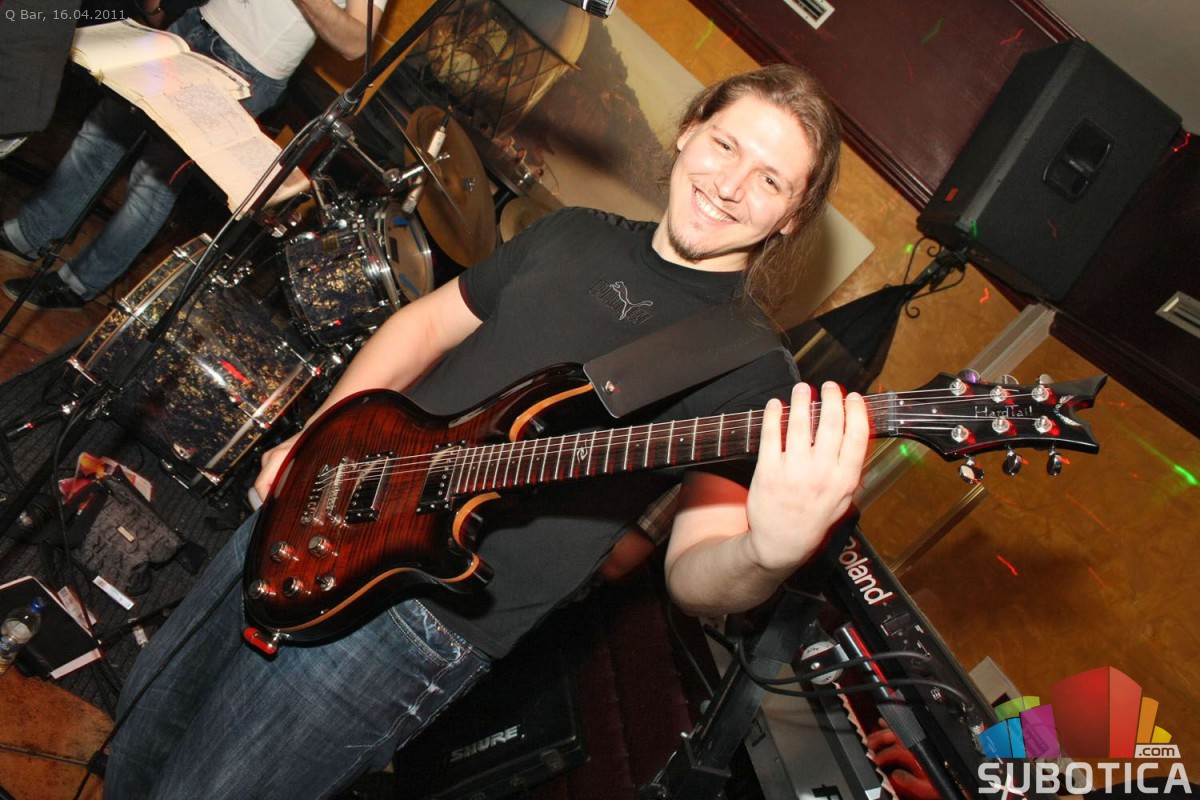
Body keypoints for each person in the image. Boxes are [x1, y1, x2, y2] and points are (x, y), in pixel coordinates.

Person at [103, 63, 871, 798]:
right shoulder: (574, 232)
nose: (729, 185)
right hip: (322, 497)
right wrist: (318, 442)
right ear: (690, 130)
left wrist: (765, 553)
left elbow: (693, 577)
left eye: (770, 181)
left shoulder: (750, 369)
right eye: (725, 144)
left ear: (791, 216)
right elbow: (425, 325)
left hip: (419, 620)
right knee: (141, 731)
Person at [0, 0, 385, 311]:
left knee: (154, 179)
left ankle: (79, 283)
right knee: (102, 131)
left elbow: (356, 42)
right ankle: (29, 233)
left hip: (248, 68)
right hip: (195, 25)